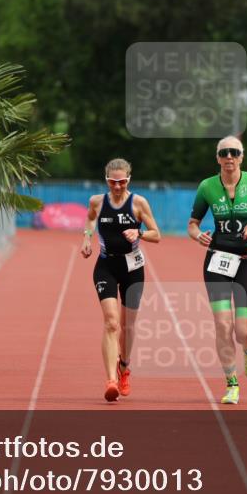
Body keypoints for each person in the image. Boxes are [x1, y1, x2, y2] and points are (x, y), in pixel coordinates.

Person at [187, 137, 247, 405]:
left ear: (241, 156)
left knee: (243, 332)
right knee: (223, 325)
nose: (229, 157)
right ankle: (231, 384)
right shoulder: (207, 187)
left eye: (234, 152)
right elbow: (192, 223)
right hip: (217, 260)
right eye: (224, 153)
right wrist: (197, 236)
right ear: (217, 158)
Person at [81, 158, 161, 402]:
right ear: (106, 180)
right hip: (106, 266)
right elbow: (90, 219)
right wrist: (86, 238)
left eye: (122, 181)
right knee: (111, 323)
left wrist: (140, 233)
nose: (118, 186)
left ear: (129, 179)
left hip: (133, 269)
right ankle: (111, 381)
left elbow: (157, 234)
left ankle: (124, 367)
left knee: (127, 327)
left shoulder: (138, 203)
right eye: (113, 182)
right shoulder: (97, 201)